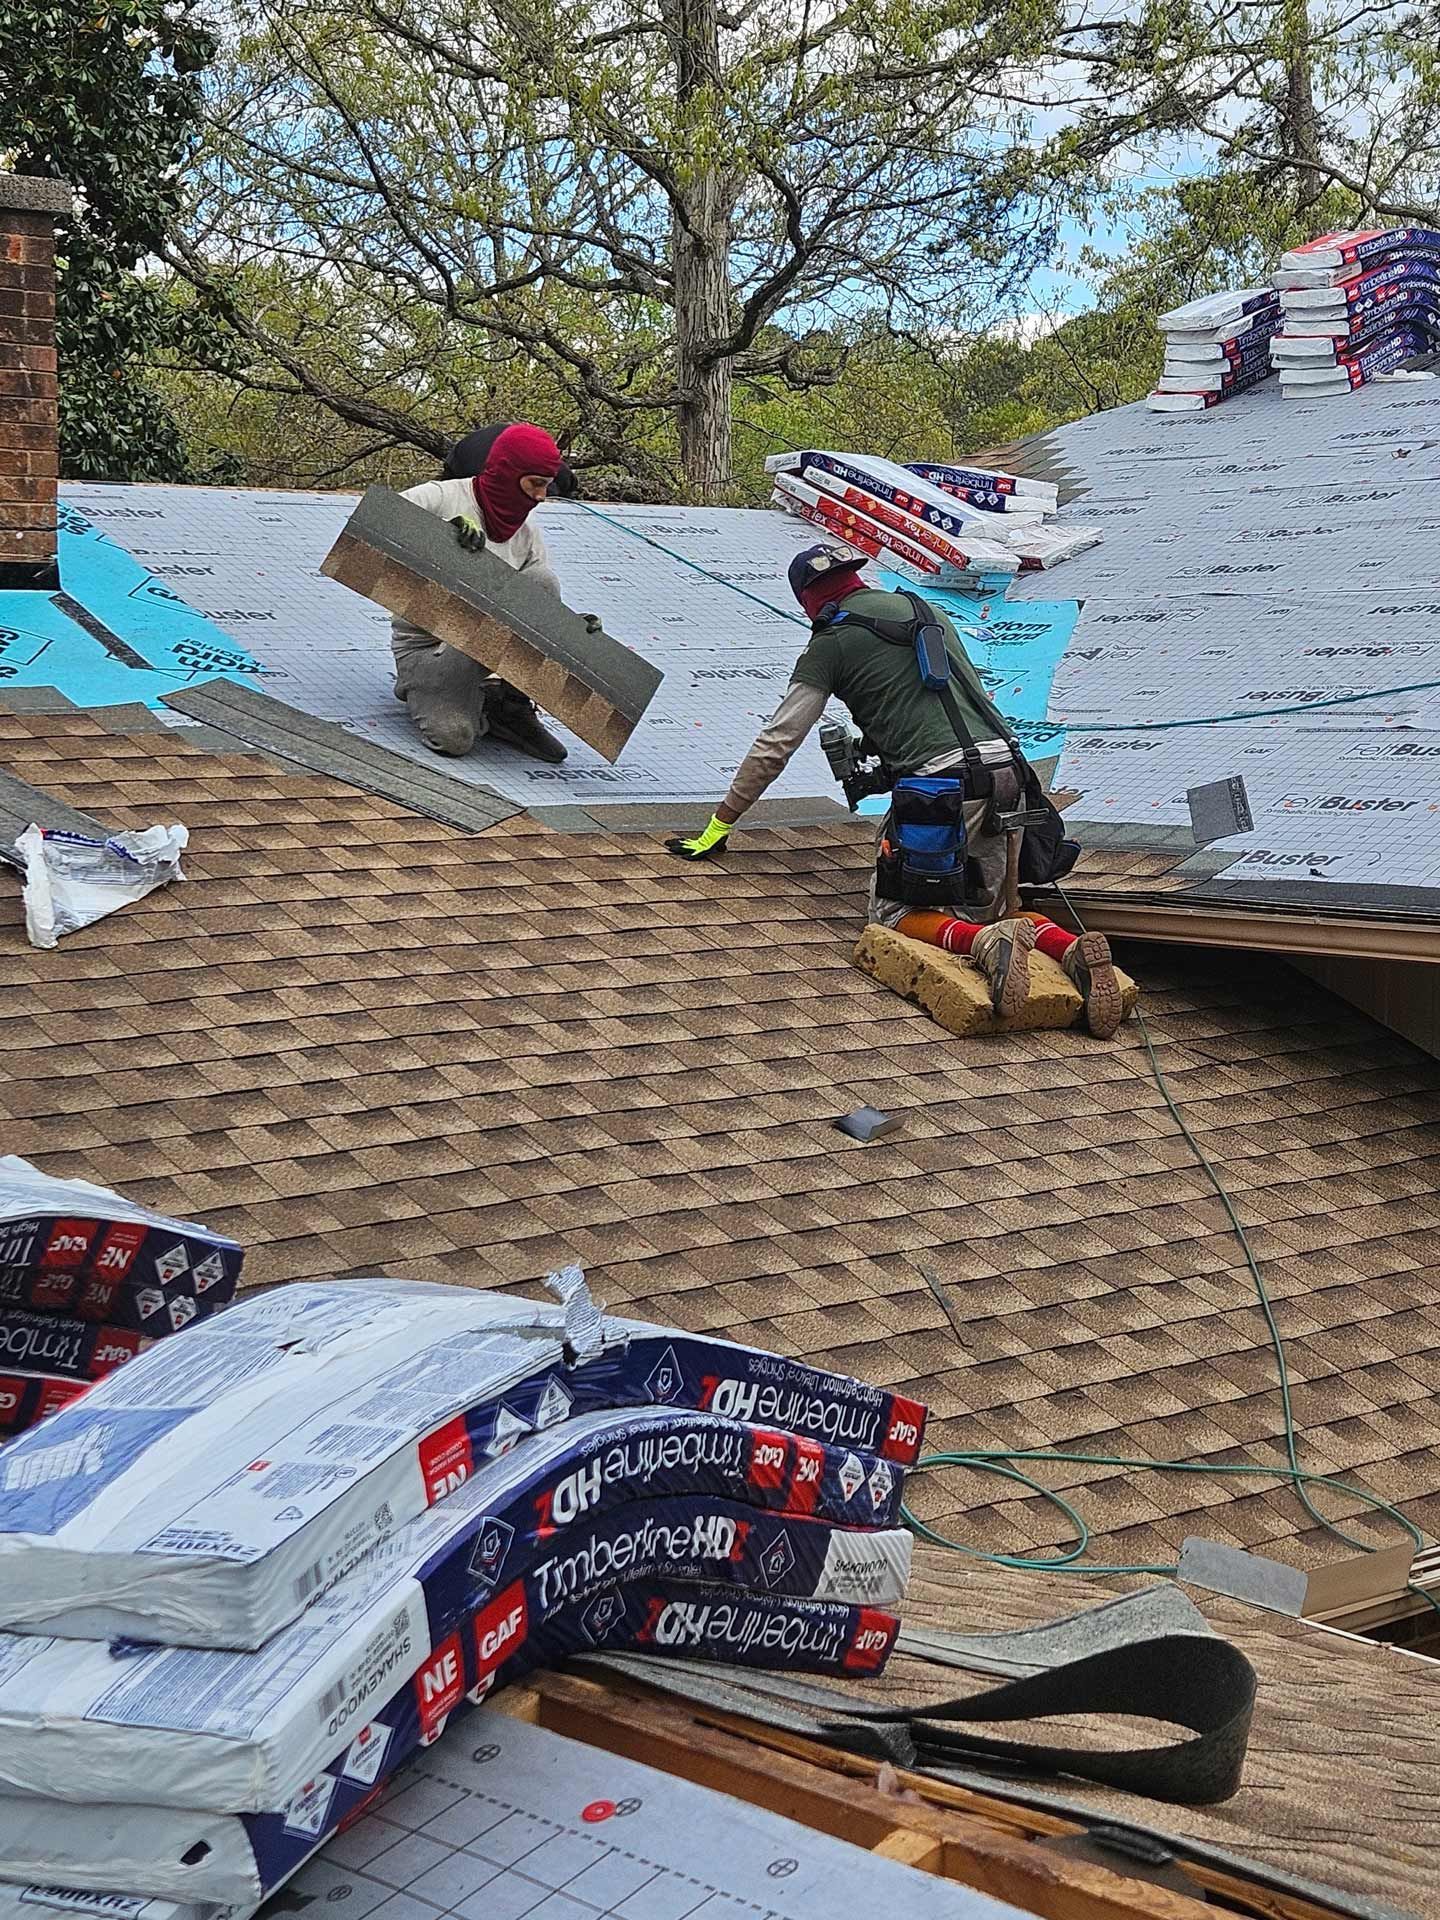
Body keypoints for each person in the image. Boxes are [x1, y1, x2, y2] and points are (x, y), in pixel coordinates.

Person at [665, 541, 1126, 1040]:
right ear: (856, 579)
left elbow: (777, 742)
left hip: (942, 789)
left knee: (895, 913)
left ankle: (984, 945)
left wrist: (720, 824)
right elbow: (942, 706)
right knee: (1002, 907)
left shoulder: (831, 642)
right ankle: (1071, 949)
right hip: (1009, 773)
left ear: (809, 602)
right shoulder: (921, 609)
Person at [391, 421, 583, 763]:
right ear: (509, 473)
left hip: (486, 646)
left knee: (543, 581)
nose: (541, 497)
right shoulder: (439, 497)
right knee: (455, 739)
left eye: (547, 486)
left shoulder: (526, 536)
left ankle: (509, 705)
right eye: (536, 484)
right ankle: (420, 687)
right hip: (429, 651)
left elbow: (539, 608)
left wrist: (573, 627)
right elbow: (371, 529)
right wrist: (437, 537)